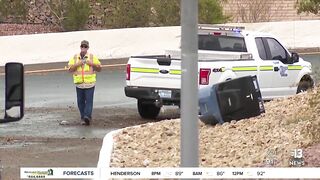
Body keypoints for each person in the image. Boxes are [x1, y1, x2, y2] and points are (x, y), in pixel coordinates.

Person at [68, 40, 101, 125]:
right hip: (79, 84)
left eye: (85, 47)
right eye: (82, 46)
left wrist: (92, 64)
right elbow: (70, 70)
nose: (83, 48)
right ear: (80, 47)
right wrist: (78, 64)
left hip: (90, 83)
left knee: (89, 101)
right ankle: (83, 117)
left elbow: (99, 68)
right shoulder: (75, 57)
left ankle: (87, 117)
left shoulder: (92, 57)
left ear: (88, 48)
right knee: (80, 102)